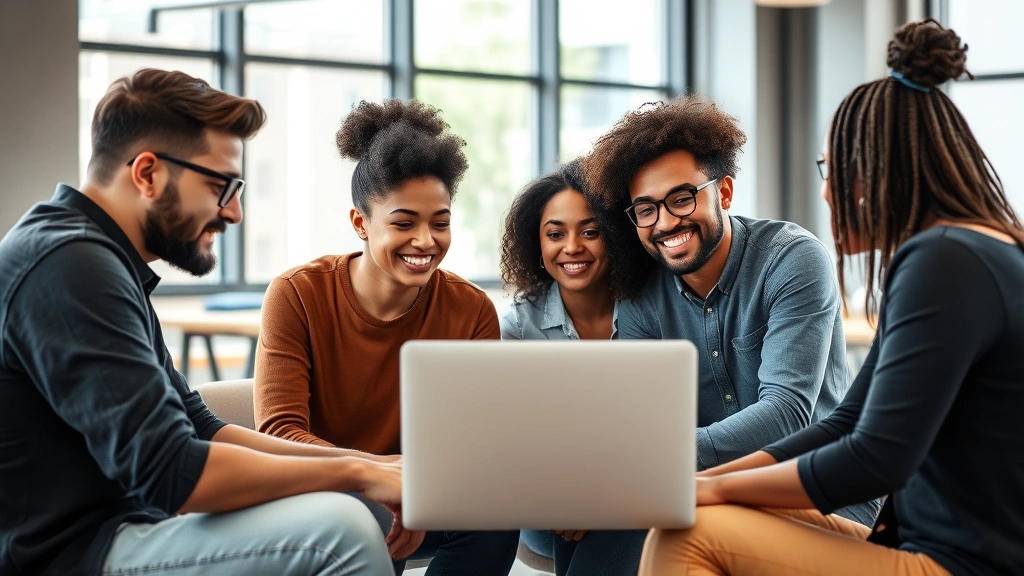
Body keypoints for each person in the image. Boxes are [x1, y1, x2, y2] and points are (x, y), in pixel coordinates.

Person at [637, 19, 1024, 576]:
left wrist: (715, 495)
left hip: (960, 564)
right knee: (690, 515)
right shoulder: (971, 251)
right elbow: (846, 423)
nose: (825, 192)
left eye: (830, 170)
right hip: (921, 544)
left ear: (872, 170)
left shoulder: (944, 262)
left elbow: (876, 459)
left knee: (692, 533)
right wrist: (706, 482)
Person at [0, 69, 403, 576]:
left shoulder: (100, 259)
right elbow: (175, 474)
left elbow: (203, 429)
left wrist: (369, 467)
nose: (233, 212)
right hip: (76, 555)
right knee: (338, 531)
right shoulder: (69, 266)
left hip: (130, 528)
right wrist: (355, 472)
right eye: (220, 186)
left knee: (355, 503)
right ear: (147, 173)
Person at [582, 94, 877, 525]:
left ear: (723, 191)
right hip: (702, 489)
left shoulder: (792, 258)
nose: (664, 223)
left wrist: (661, 461)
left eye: (681, 198)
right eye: (646, 210)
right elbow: (644, 419)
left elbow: (786, 413)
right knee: (599, 532)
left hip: (817, 485)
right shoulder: (640, 295)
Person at [253, 99, 520, 575]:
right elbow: (279, 433)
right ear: (360, 223)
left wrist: (419, 489)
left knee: (495, 510)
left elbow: (474, 441)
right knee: (365, 517)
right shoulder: (297, 295)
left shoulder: (471, 309)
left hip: (423, 491)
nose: (425, 241)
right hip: (325, 494)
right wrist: (380, 480)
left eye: (440, 223)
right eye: (403, 223)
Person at [498, 161, 646, 575]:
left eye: (591, 231)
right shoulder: (518, 325)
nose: (572, 247)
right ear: (537, 244)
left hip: (630, 486)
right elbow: (509, 437)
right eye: (555, 233)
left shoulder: (650, 308)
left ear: (615, 235)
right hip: (548, 501)